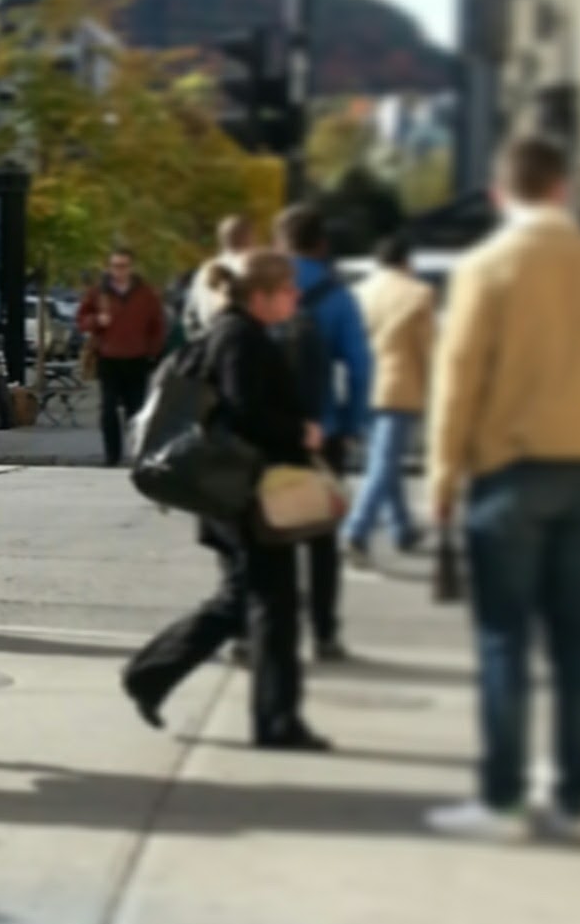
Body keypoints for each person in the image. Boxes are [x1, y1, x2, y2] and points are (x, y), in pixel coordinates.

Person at [427, 137, 580, 844]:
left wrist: (443, 474)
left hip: (511, 469)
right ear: (563, 189)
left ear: (501, 195)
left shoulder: (487, 266)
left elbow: (458, 378)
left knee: (505, 641)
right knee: (578, 636)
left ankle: (505, 802)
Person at [120, 251, 331, 751]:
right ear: (260, 296)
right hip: (247, 493)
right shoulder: (241, 338)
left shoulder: (233, 332)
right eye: (287, 290)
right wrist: (299, 432)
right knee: (273, 607)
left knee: (243, 600)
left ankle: (151, 674)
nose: (295, 297)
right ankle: (276, 722)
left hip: (235, 492)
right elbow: (244, 411)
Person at [276, 204, 373, 662]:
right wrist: (351, 425)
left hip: (265, 432)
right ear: (322, 244)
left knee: (267, 538)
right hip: (322, 431)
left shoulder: (261, 287)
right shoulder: (337, 297)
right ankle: (324, 632)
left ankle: (264, 631)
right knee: (321, 540)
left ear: (281, 243)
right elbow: (361, 368)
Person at [342, 233, 434, 568]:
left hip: (362, 385)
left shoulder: (359, 292)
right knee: (384, 463)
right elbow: (428, 347)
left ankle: (402, 528)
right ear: (407, 261)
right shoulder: (418, 293)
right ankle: (356, 530)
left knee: (384, 460)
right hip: (398, 387)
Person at [77, 246, 170, 468]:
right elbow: (82, 319)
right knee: (108, 408)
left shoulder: (146, 293)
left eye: (123, 266)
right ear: (109, 268)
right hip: (108, 357)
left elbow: (158, 325)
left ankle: (138, 453)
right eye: (115, 266)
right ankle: (112, 455)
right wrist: (96, 321)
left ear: (131, 267)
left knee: (136, 410)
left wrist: (153, 352)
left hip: (137, 358)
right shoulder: (99, 292)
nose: (119, 271)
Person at [184, 214, 262, 342]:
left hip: (210, 341)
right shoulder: (253, 267)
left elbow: (190, 315)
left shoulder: (205, 270)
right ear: (249, 236)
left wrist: (201, 342)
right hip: (244, 342)